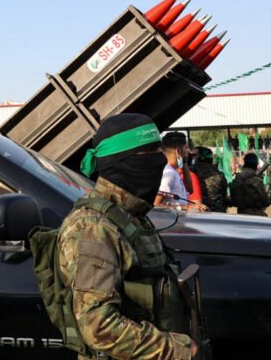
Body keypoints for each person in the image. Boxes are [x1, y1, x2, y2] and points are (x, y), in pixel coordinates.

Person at [59, 113, 195, 359]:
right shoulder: (93, 228)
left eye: (159, 151)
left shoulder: (130, 215)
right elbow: (99, 327)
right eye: (150, 153)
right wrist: (179, 351)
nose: (159, 161)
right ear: (121, 162)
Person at [155, 131, 206, 210]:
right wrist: (185, 207)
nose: (188, 152)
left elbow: (190, 190)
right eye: (186, 148)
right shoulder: (169, 173)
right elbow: (156, 204)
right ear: (178, 151)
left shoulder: (173, 170)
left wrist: (183, 161)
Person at [190, 146, 228, 212]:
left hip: (198, 210)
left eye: (193, 155)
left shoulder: (190, 172)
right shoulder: (218, 173)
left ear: (197, 158)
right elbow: (224, 193)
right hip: (217, 211)